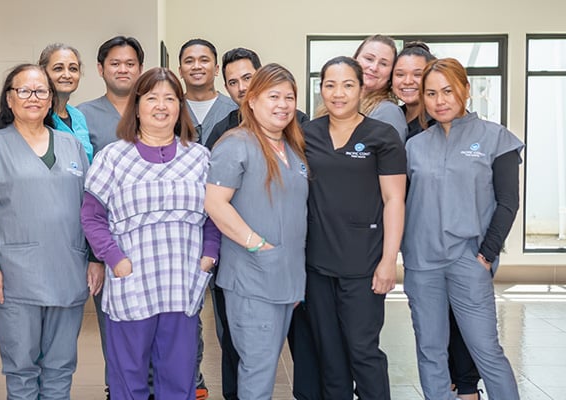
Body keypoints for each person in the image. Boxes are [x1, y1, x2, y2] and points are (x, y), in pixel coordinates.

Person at [81, 67, 220, 400]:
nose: (161, 106)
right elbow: (92, 216)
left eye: (170, 98)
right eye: (152, 98)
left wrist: (208, 257)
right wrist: (116, 261)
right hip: (131, 283)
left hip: (182, 284)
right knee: (128, 380)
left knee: (179, 378)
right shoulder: (112, 157)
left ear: (180, 105)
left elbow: (215, 216)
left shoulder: (200, 158)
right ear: (137, 105)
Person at [0, 64, 90, 400]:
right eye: (23, 90)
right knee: (21, 370)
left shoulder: (71, 146)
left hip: (67, 271)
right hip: (15, 275)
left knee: (61, 367)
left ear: (51, 100)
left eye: (41, 91)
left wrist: (93, 259)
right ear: (9, 98)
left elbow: (90, 209)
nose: (33, 97)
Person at [403, 58, 523, 400]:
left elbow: (508, 203)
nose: (440, 100)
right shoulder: (415, 147)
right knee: (430, 351)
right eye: (431, 93)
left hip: (468, 261)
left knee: (487, 351)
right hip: (421, 263)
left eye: (448, 91)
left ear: (465, 90)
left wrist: (486, 255)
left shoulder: (496, 138)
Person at [199, 48, 313, 400]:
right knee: (257, 370)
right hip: (252, 278)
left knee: (263, 367)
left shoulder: (292, 147)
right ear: (251, 101)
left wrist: (287, 269)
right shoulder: (236, 144)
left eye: (289, 97)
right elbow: (213, 203)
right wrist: (257, 246)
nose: (282, 104)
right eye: (273, 96)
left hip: (286, 279)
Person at [300, 56, 405, 400]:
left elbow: (394, 201)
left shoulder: (382, 135)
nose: (338, 93)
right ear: (321, 90)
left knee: (363, 350)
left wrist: (389, 261)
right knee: (329, 354)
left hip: (364, 264)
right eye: (330, 85)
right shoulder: (306, 135)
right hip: (317, 265)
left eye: (347, 85)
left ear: (362, 89)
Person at [75, 35, 144, 399]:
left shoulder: (155, 107)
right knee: (114, 322)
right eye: (115, 63)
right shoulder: (82, 116)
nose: (123, 69)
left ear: (140, 69)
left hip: (153, 237)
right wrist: (95, 254)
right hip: (107, 239)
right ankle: (117, 387)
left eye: (130, 63)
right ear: (101, 69)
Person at [42, 43, 96, 160]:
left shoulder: (78, 116)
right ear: (43, 73)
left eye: (73, 69)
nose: (67, 75)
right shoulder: (38, 115)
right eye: (58, 68)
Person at [178, 39, 238, 145]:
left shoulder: (234, 110)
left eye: (204, 60)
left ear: (216, 69)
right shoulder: (172, 109)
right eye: (189, 61)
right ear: (180, 71)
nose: (196, 66)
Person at [355, 35, 410, 140]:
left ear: (391, 73)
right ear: (354, 60)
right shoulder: (341, 103)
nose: (374, 68)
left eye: (383, 64)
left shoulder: (388, 112)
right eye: (369, 59)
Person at [395, 42, 438, 138]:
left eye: (417, 74)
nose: (407, 81)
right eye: (400, 74)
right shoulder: (391, 115)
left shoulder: (442, 118)